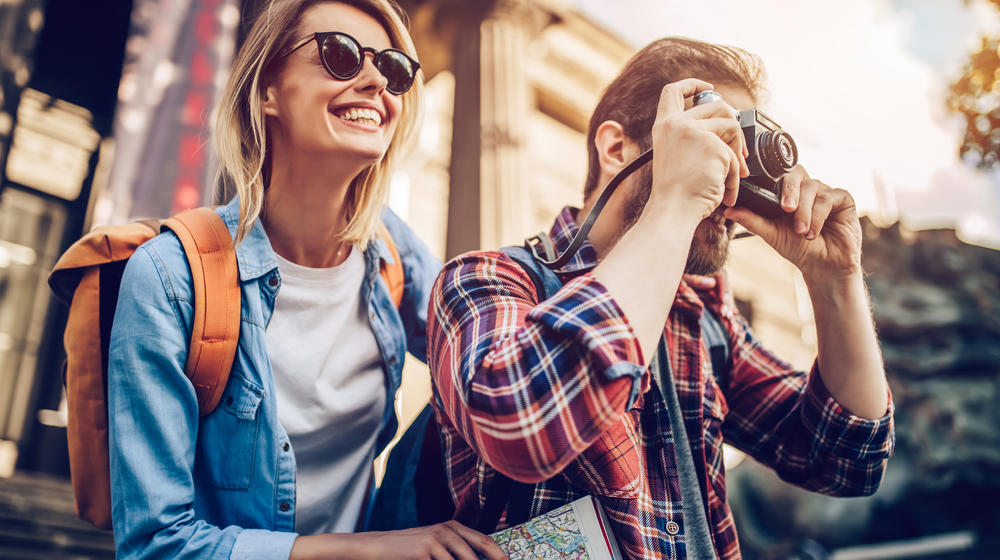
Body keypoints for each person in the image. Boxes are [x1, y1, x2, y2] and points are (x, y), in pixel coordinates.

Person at [426, 37, 894, 559]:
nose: (727, 179)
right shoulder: (488, 279)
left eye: (740, 156)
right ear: (616, 147)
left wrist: (836, 281)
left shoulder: (702, 319)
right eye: (713, 143)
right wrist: (676, 200)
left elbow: (845, 459)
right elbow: (522, 424)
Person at [106, 1, 505, 559]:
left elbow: (498, 380)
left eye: (392, 70)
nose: (374, 82)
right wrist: (373, 549)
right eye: (339, 56)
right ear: (268, 90)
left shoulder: (395, 256)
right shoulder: (169, 277)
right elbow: (155, 545)